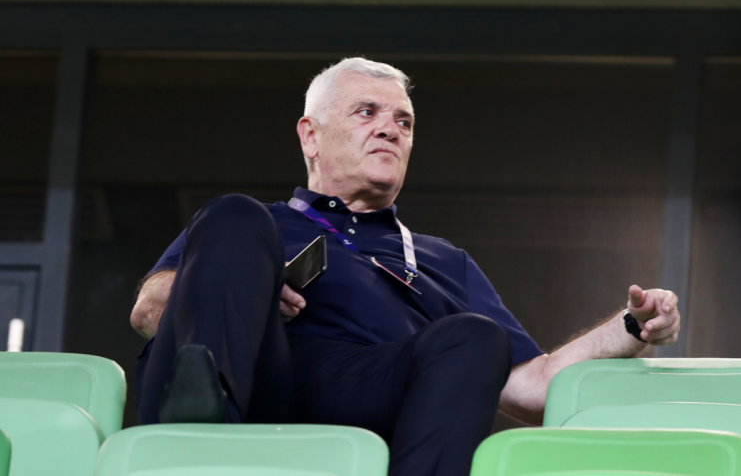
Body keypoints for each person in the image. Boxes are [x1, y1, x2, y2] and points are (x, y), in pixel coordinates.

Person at [131, 57, 681, 476]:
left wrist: (631, 327)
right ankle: (201, 443)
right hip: (254, 374)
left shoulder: (444, 260)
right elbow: (150, 312)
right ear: (310, 136)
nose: (390, 129)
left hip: (360, 389)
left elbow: (531, 390)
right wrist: (241, 291)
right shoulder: (254, 226)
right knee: (234, 211)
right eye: (366, 112)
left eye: (404, 121)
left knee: (475, 335)